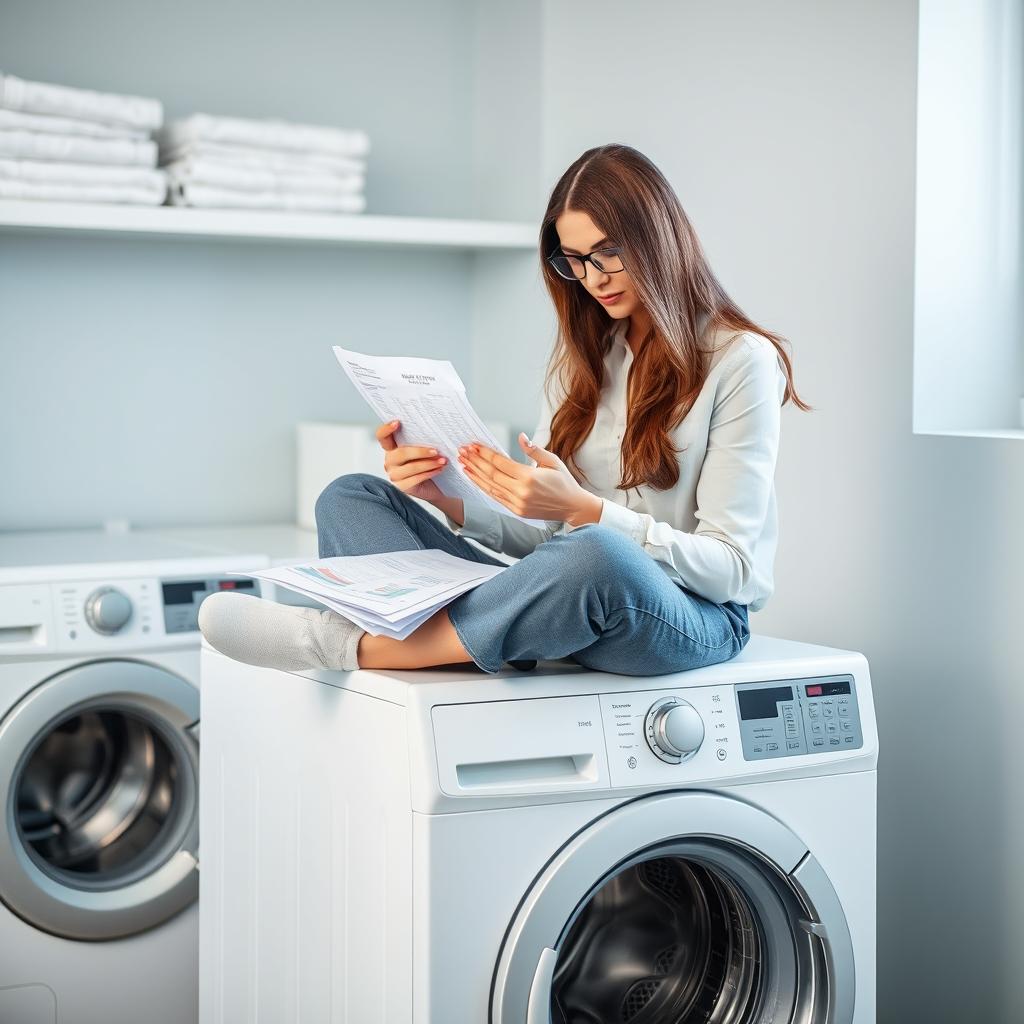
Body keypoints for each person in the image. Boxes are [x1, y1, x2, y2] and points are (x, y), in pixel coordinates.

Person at [198, 143, 810, 676]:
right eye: (574, 260)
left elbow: (731, 570)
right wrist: (450, 504)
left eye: (607, 252)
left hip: (688, 618)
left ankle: (350, 644)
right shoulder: (589, 358)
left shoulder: (740, 360)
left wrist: (589, 512)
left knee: (598, 553)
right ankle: (490, 637)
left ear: (658, 237)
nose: (592, 277)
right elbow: (543, 541)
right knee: (351, 496)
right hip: (569, 598)